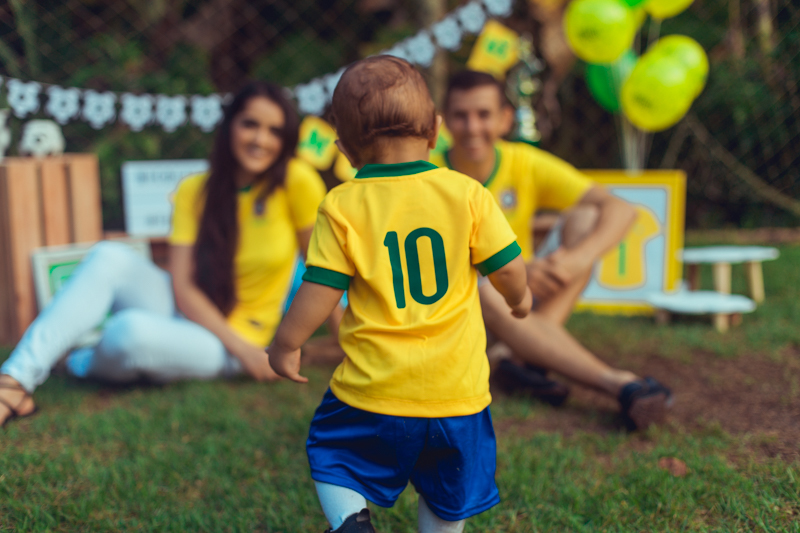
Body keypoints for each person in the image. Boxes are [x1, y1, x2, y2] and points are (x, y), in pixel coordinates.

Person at [268, 56, 531, 533]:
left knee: (334, 454)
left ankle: (351, 521)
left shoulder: (342, 203)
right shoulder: (468, 192)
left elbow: (320, 288)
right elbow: (509, 268)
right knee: (448, 494)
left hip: (373, 392)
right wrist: (520, 300)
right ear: (435, 132)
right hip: (459, 395)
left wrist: (287, 344)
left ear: (345, 149)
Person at [0, 80, 333, 427]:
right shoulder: (194, 189)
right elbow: (183, 286)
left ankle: (76, 361)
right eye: (250, 124)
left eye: (274, 131)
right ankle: (14, 381)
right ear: (230, 126)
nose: (260, 140)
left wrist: (336, 338)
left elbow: (322, 267)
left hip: (241, 338)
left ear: (286, 139)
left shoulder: (297, 181)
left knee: (129, 333)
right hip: (188, 309)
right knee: (109, 256)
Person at [431, 70, 672, 430]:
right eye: (461, 115)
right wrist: (517, 269)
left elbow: (621, 209)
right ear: (445, 122)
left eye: (483, 114)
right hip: (461, 309)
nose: (472, 126)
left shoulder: (523, 161)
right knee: (487, 290)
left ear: (504, 119)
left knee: (587, 218)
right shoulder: (427, 174)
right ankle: (619, 383)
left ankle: (513, 352)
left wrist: (577, 257)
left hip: (523, 298)